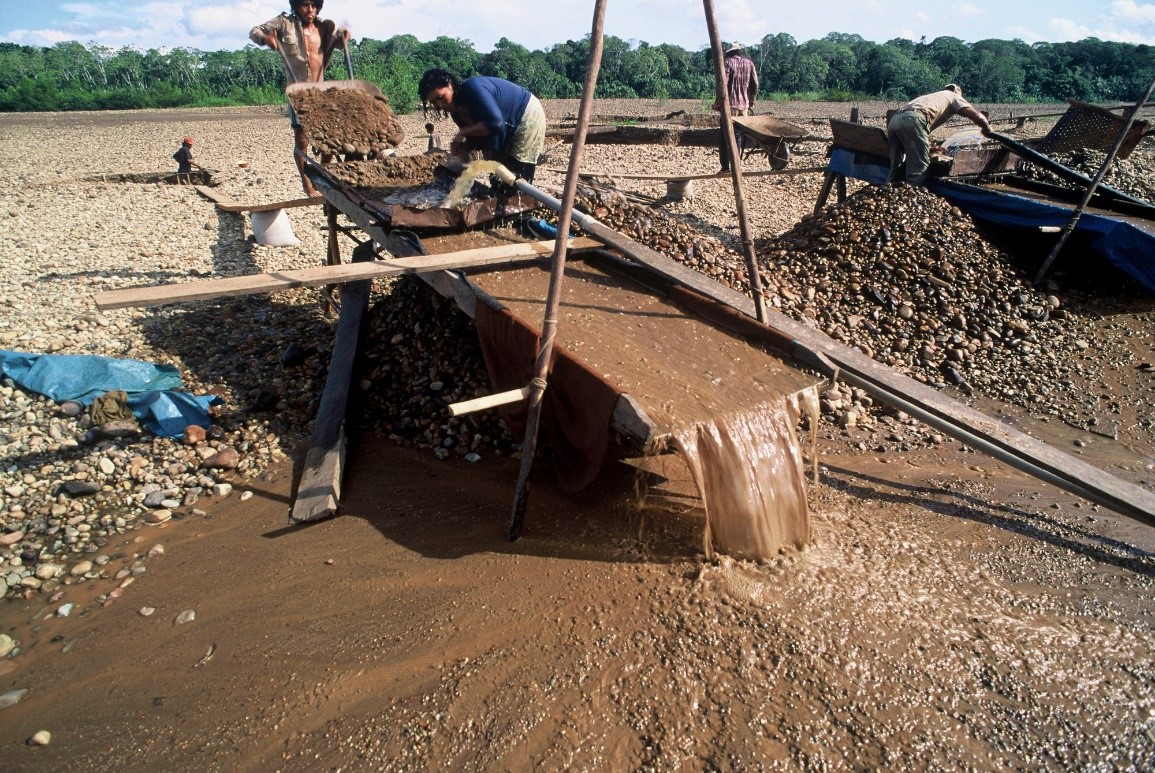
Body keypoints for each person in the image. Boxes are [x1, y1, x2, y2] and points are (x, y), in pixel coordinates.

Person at [249, 0, 350, 196]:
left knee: (330, 141)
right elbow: (254, 31)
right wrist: (265, 39)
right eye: (305, 5)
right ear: (296, 6)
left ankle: (323, 174)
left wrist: (344, 36)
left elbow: (339, 42)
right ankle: (307, 183)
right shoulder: (283, 23)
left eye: (313, 5)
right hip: (297, 92)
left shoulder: (325, 26)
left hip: (321, 92)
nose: (310, 10)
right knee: (302, 141)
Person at [417, 68, 546, 184]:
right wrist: (464, 151)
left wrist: (462, 133)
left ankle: (522, 203)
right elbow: (481, 138)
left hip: (526, 115)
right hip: (503, 128)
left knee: (517, 176)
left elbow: (495, 123)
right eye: (434, 102)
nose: (439, 105)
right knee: (497, 178)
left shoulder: (472, 88)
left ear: (450, 84)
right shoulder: (456, 113)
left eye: (441, 97)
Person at [887, 84, 992, 185]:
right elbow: (974, 114)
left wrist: (928, 148)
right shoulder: (954, 96)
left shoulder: (933, 97)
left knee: (896, 165)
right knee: (919, 168)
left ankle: (888, 189)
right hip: (912, 120)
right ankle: (911, 193)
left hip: (894, 120)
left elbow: (910, 140)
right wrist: (987, 129)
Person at [713, 43, 759, 173]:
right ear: (739, 51)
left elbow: (723, 84)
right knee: (739, 135)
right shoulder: (749, 63)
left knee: (725, 137)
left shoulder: (727, 63)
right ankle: (737, 164)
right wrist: (751, 100)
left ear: (729, 53)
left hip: (730, 106)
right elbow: (754, 84)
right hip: (743, 107)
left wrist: (717, 102)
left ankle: (726, 167)